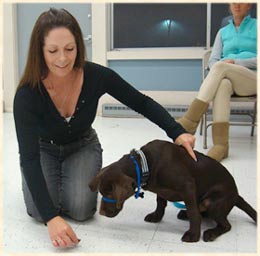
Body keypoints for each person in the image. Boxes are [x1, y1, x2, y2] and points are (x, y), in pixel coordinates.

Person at [13, 8, 196, 248]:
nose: (62, 59)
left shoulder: (96, 75)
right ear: (40, 51)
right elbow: (29, 158)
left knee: (81, 210)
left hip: (82, 145)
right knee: (40, 212)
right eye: (52, 51)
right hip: (43, 149)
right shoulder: (27, 94)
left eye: (70, 49)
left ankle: (61, 182)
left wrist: (177, 131)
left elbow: (141, 102)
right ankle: (47, 190)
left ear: (78, 46)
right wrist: (51, 218)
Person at [178, 3, 257, 162]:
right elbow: (212, 61)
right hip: (227, 77)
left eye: (242, 1)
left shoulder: (257, 26)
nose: (237, 4)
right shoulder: (223, 32)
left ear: (249, 5)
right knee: (222, 85)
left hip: (252, 78)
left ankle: (190, 121)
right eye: (233, 1)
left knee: (221, 66)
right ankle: (221, 146)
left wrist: (235, 62)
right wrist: (224, 66)